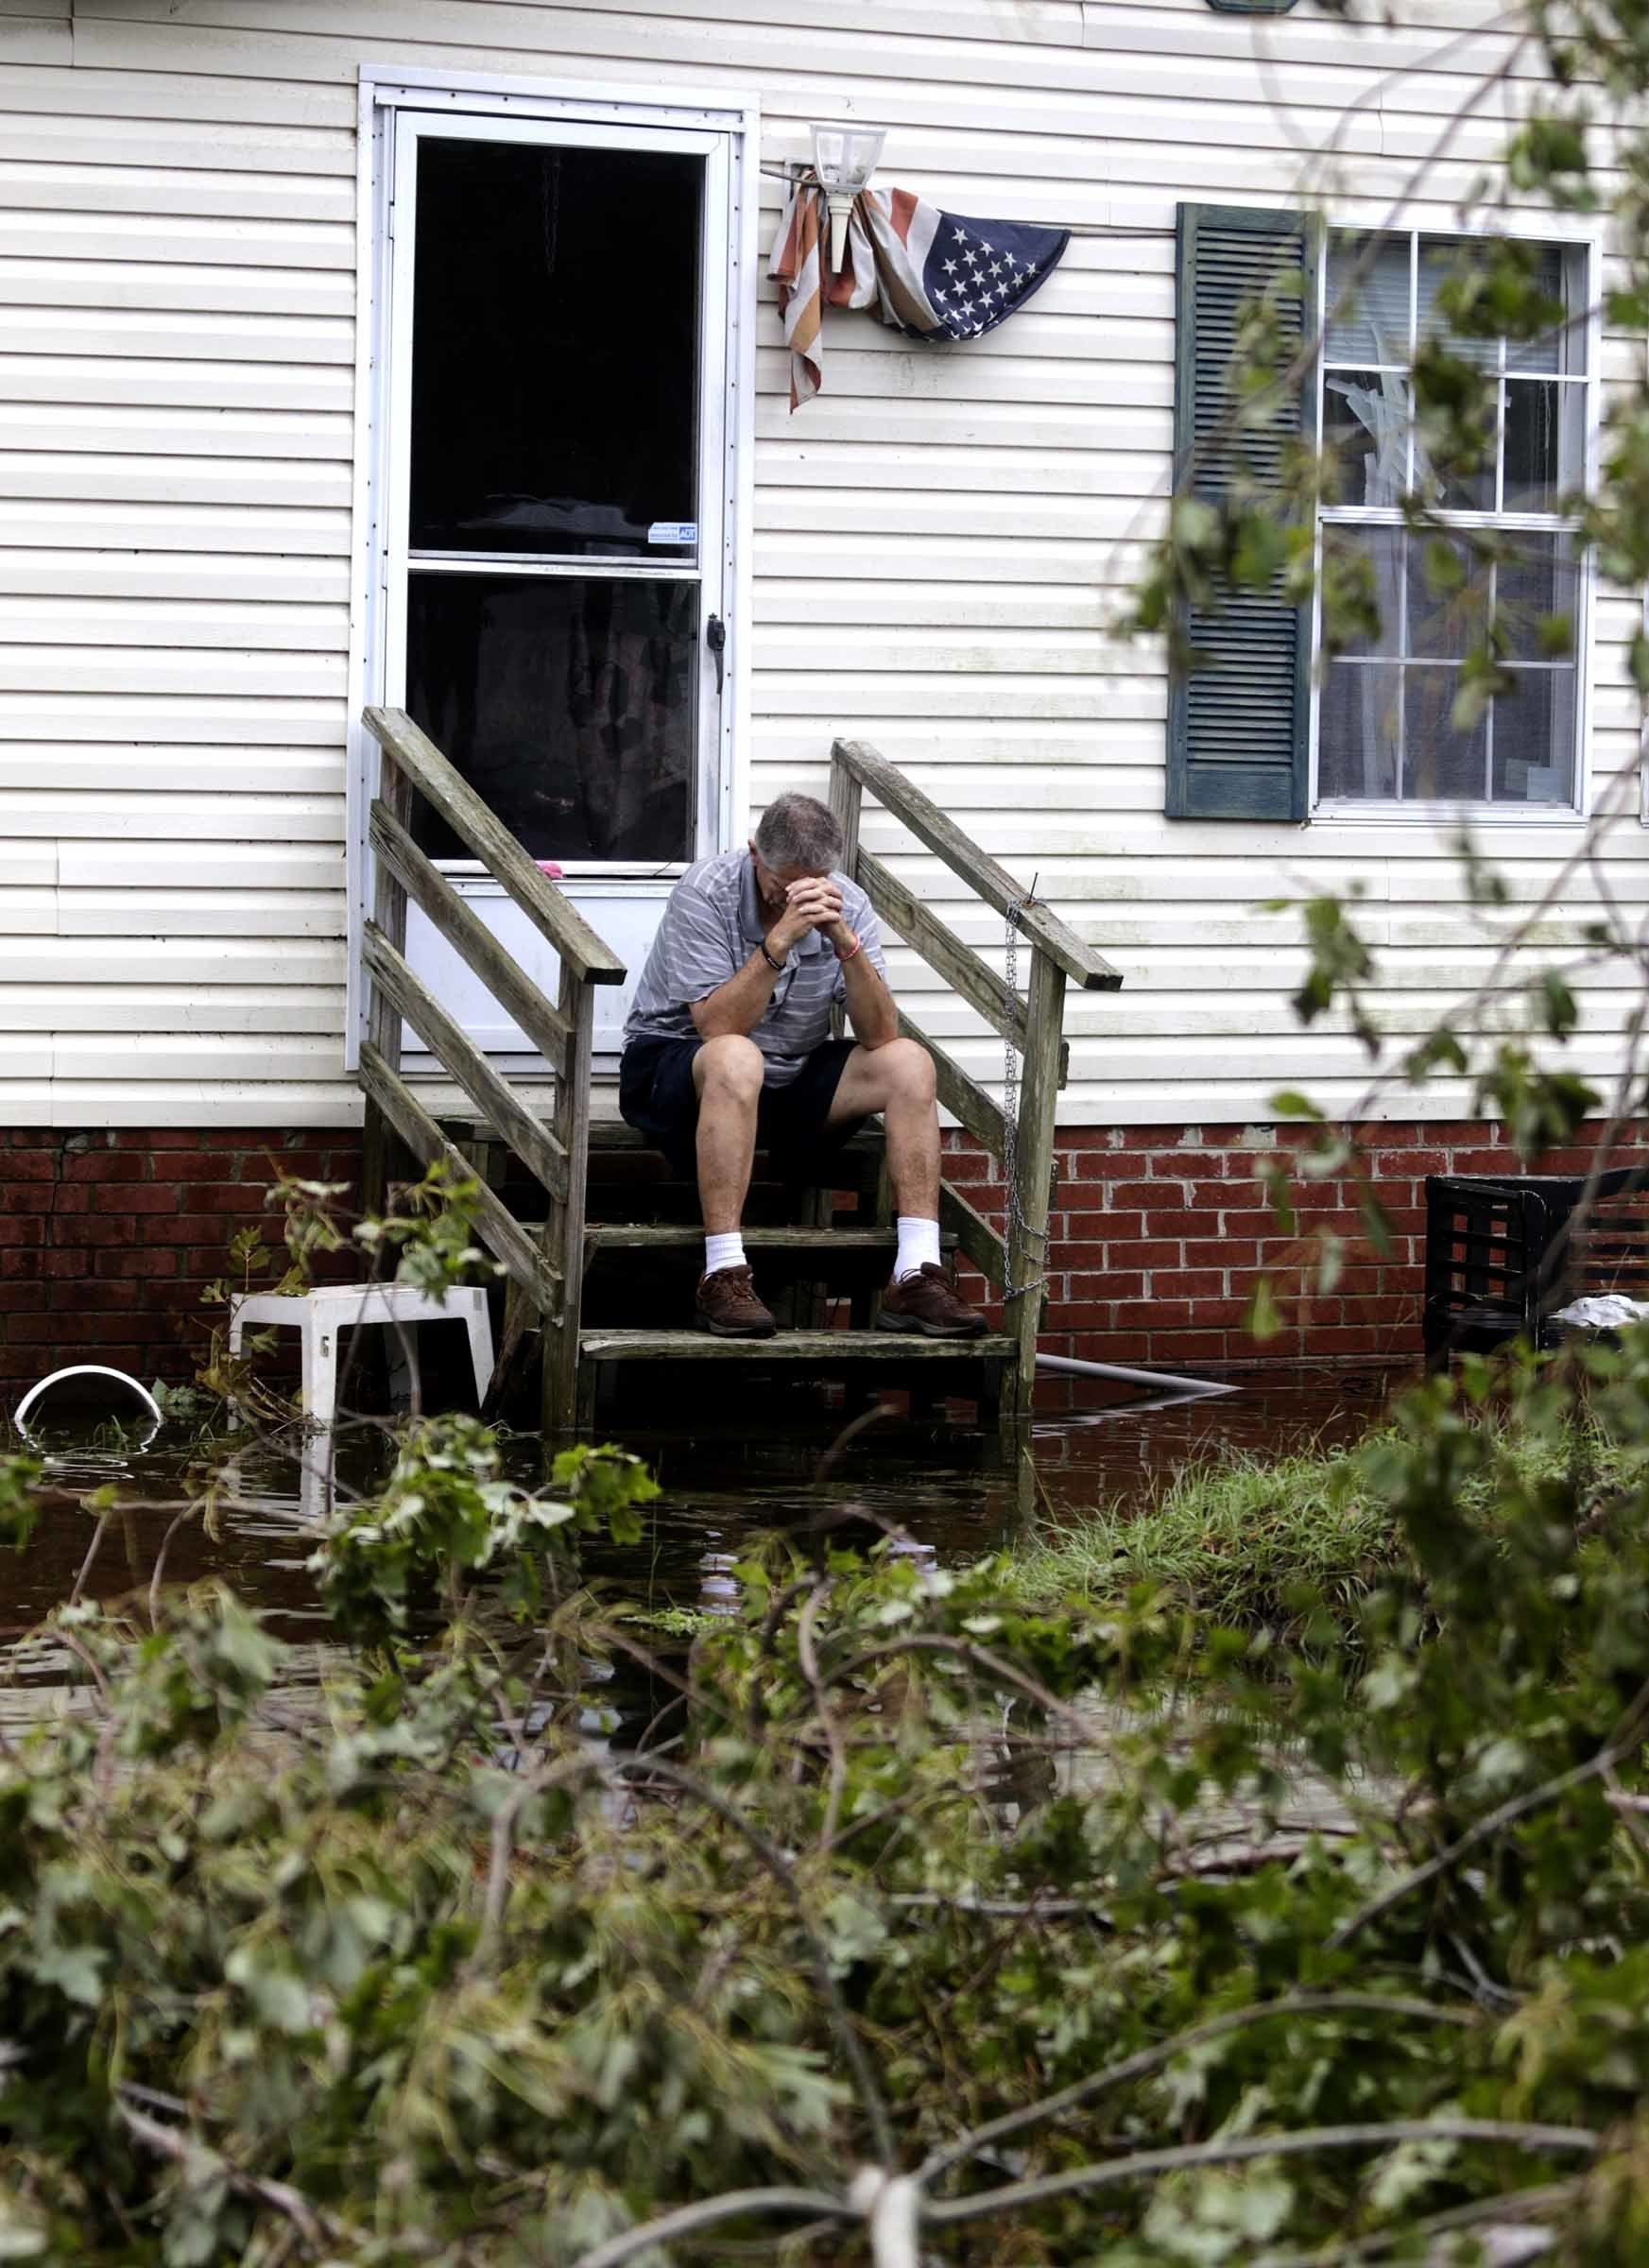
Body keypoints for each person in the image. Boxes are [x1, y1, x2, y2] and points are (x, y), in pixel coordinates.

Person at [619, 792, 988, 1341]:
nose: (792, 897)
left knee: (910, 1062)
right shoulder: (705, 892)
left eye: (808, 884)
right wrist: (780, 940)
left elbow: (879, 1035)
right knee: (737, 1056)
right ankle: (722, 1272)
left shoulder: (849, 903)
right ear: (753, 855)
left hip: (788, 1078)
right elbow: (717, 1028)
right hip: (680, 1072)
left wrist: (845, 943)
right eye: (781, 884)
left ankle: (914, 1275)